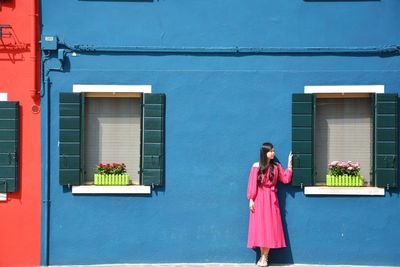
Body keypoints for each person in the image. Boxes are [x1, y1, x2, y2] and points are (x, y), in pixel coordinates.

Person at [247, 142, 293, 267]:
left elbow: (285, 179)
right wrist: (251, 199)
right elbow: (252, 184)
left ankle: (264, 257)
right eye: (271, 151)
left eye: (274, 150)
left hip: (272, 200)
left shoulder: (276, 166)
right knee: (261, 228)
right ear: (265, 152)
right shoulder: (256, 166)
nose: (273, 153)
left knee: (269, 228)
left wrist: (289, 165)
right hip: (259, 199)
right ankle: (263, 256)